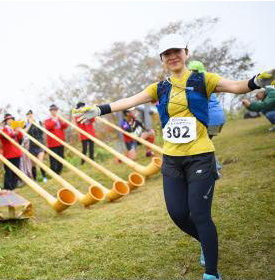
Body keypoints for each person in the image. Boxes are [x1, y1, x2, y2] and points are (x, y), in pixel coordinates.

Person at [75, 33, 274, 280]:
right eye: (167, 54)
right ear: (162, 59)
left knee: (200, 214)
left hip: (200, 156)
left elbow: (236, 86)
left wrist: (257, 81)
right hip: (171, 159)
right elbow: (129, 101)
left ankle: (212, 273)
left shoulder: (204, 79)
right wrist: (99, 109)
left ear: (186, 53)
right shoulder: (159, 88)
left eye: (176, 51)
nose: (173, 57)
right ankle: (206, 241)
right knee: (178, 214)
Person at [188, 61, 226, 175]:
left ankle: (215, 169)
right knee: (205, 143)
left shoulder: (196, 82)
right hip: (219, 118)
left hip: (210, 119)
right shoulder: (207, 80)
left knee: (202, 145)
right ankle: (215, 166)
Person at [0, 113, 23, 190]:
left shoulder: (14, 128)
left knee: (16, 170)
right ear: (6, 121)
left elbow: (20, 138)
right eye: (8, 120)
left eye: (11, 119)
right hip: (8, 154)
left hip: (16, 152)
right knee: (8, 172)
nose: (10, 121)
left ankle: (15, 185)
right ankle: (8, 187)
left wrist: (19, 131)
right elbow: (6, 136)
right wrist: (15, 132)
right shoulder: (4, 130)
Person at [44, 104, 68, 174]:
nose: (54, 112)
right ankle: (53, 173)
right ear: (50, 111)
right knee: (53, 159)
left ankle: (59, 171)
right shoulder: (47, 120)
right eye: (53, 110)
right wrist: (54, 120)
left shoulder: (59, 118)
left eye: (56, 110)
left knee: (61, 157)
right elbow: (49, 127)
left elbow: (65, 126)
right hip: (52, 143)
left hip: (61, 141)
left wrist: (62, 121)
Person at [24, 110, 47, 182]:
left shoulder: (38, 122)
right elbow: (24, 132)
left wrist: (36, 123)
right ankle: (35, 179)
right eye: (28, 115)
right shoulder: (26, 125)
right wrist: (30, 124)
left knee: (40, 162)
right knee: (33, 164)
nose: (30, 116)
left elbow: (42, 131)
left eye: (31, 115)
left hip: (39, 144)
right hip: (31, 146)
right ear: (27, 116)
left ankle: (44, 177)